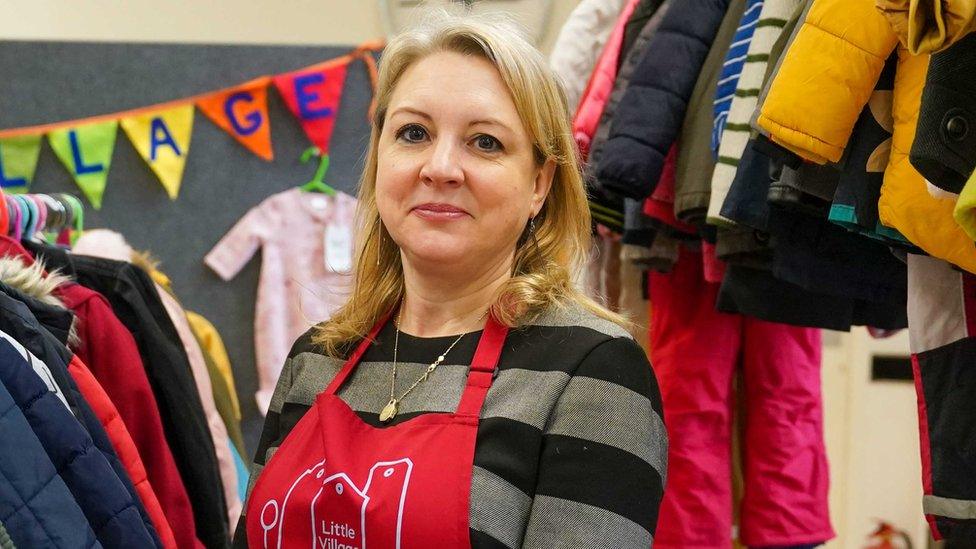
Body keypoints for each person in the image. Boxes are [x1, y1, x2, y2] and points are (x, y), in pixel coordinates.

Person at [236, 11, 666, 548]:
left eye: (484, 142)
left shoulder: (593, 371)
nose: (440, 167)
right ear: (378, 162)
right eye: (413, 133)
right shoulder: (317, 358)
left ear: (539, 183)